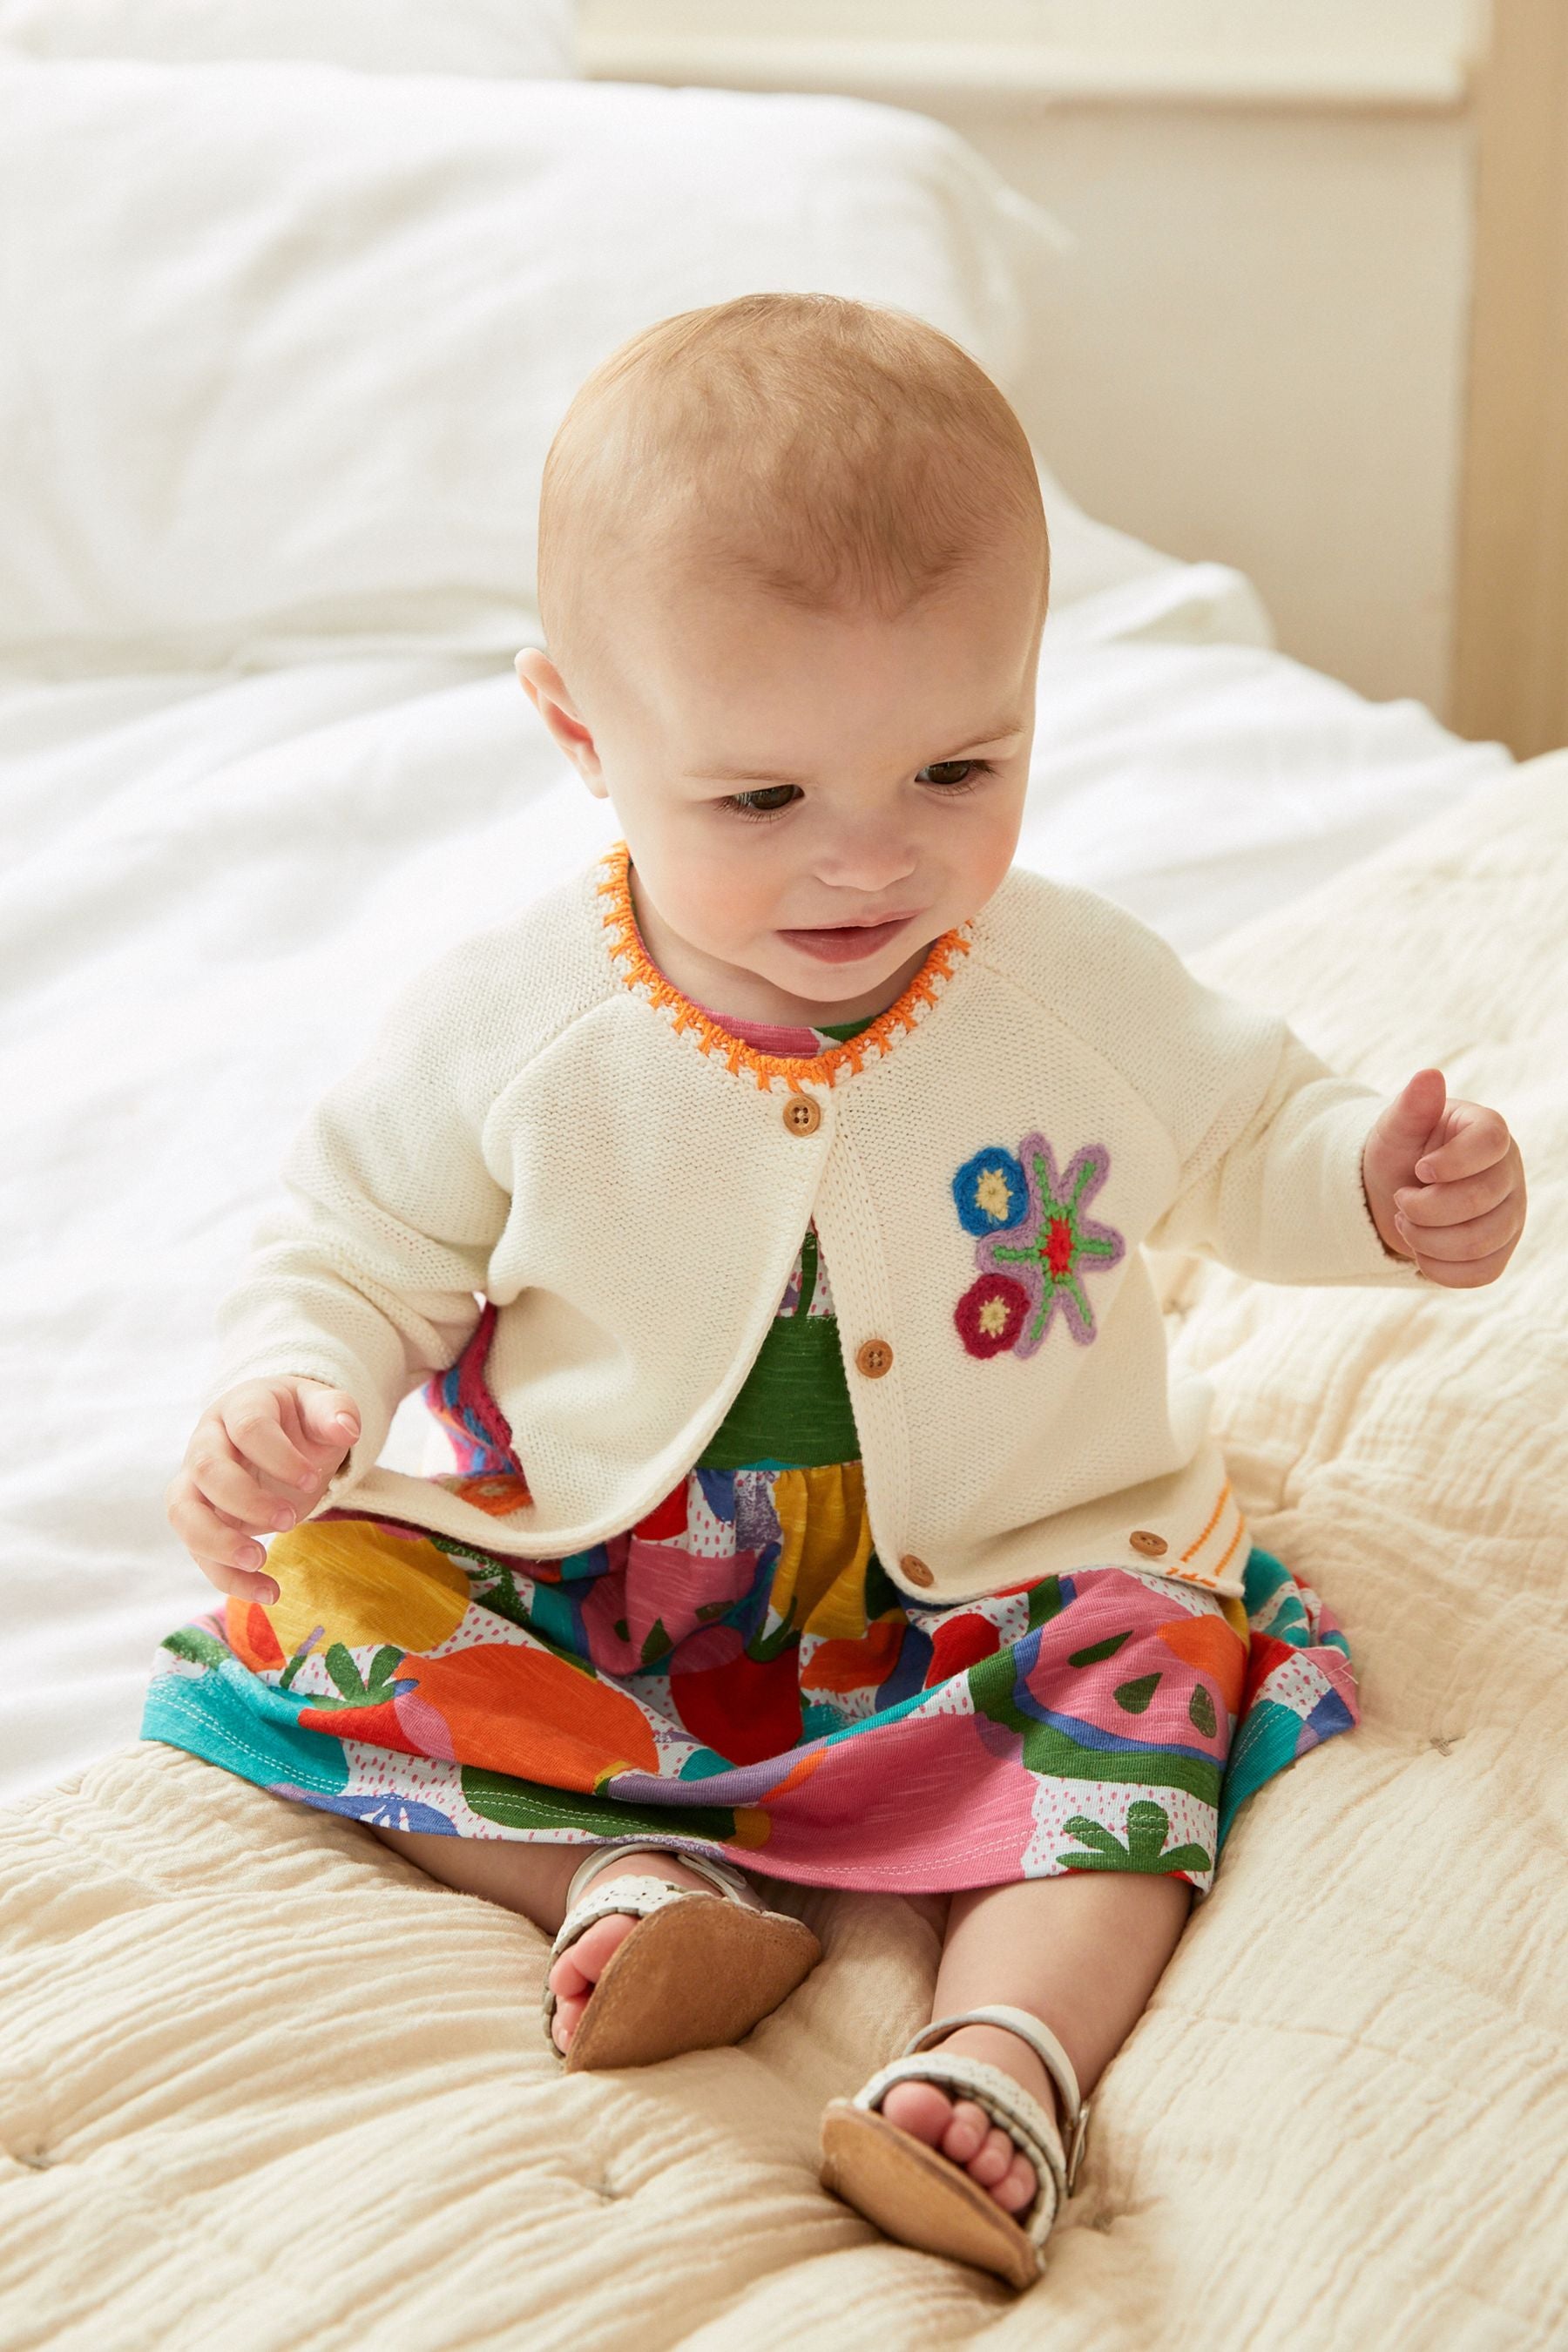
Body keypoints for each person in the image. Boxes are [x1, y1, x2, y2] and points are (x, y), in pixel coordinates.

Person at [146, 292, 1527, 2292]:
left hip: (999, 1586)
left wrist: (1383, 1194)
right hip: (619, 1591)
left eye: (961, 766)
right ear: (578, 733)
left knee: (1156, 1700)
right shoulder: (516, 1025)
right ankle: (613, 1870)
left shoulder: (1066, 987)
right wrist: (298, 1389)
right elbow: (357, 1246)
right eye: (763, 801)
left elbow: (1250, 1138)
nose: (868, 862)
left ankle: (1004, 2056)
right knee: (321, 1602)